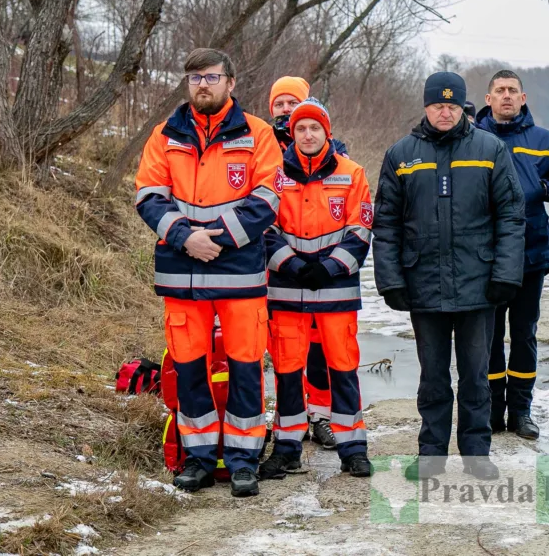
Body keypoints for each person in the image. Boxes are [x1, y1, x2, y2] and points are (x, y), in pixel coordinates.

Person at [135, 48, 282, 497]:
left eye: (212, 77)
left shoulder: (258, 134)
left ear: (230, 83)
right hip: (183, 276)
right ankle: (197, 460)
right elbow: (148, 195)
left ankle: (241, 461)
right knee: (190, 370)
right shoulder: (164, 136)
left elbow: (267, 199)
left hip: (238, 275)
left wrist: (213, 238)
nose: (203, 84)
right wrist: (185, 238)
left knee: (245, 369)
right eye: (195, 76)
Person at [372, 71, 526, 481]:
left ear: (464, 108)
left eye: (452, 105)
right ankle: (431, 456)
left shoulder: (489, 149)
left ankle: (477, 454)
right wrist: (391, 280)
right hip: (422, 285)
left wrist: (505, 275)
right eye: (438, 105)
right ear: (426, 106)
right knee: (434, 377)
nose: (445, 111)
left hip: (478, 285)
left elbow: (511, 217)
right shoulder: (401, 155)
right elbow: (386, 223)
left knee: (477, 377)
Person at [259, 100, 374, 478]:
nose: (308, 135)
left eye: (315, 128)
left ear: (327, 132)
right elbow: (264, 227)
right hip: (287, 292)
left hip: (335, 291)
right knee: (288, 372)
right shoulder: (275, 174)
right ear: (291, 134)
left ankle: (353, 449)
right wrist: (290, 265)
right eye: (301, 129)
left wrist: (329, 267)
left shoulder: (352, 173)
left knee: (343, 368)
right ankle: (288, 447)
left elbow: (361, 229)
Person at [475, 70, 549, 440]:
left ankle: (521, 411)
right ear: (488, 99)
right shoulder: (473, 139)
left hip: (531, 254)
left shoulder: (545, 141)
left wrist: (542, 186)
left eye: (513, 91)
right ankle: (491, 411)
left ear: (524, 97)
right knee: (489, 337)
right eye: (499, 91)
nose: (506, 96)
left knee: (525, 335)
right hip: (485, 255)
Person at [267, 78, 342, 451]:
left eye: (291, 102)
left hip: (323, 279)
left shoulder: (334, 153)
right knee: (284, 353)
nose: (284, 109)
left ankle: (322, 416)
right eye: (278, 103)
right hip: (277, 274)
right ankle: (287, 419)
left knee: (320, 352)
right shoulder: (263, 149)